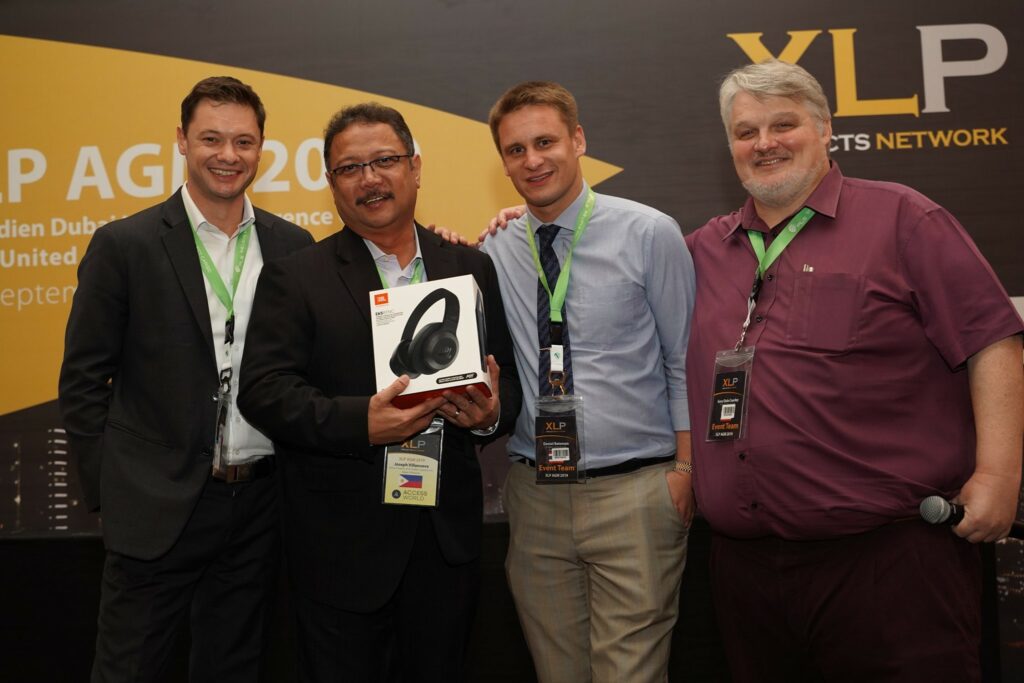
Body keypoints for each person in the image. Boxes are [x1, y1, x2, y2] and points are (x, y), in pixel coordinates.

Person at [685, 59, 1024, 683]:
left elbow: (994, 341)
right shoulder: (705, 248)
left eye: (783, 124)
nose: (764, 143)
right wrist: (524, 228)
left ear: (825, 128)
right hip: (746, 574)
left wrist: (999, 475)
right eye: (745, 131)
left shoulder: (904, 219)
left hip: (890, 563)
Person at [236, 102, 520, 683]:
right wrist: (360, 423)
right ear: (331, 182)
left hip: (445, 544)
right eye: (350, 168)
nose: (370, 179)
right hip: (342, 551)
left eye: (385, 161)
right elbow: (264, 392)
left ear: (415, 167)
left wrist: (489, 415)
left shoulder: (469, 266)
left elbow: (507, 380)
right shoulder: (297, 276)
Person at [58, 76, 313, 682]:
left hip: (259, 504)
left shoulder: (293, 246)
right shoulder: (125, 245)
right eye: (211, 139)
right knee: (130, 668)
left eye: (244, 141)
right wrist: (115, 491)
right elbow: (83, 380)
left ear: (261, 147)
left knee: (233, 668)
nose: (228, 155)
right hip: (155, 505)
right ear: (181, 141)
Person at [478, 81, 696, 683]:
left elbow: (684, 359)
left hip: (637, 491)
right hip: (535, 496)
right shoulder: (493, 249)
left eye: (545, 142)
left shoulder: (649, 233)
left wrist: (685, 469)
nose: (532, 160)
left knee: (631, 673)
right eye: (516, 150)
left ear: (578, 140)